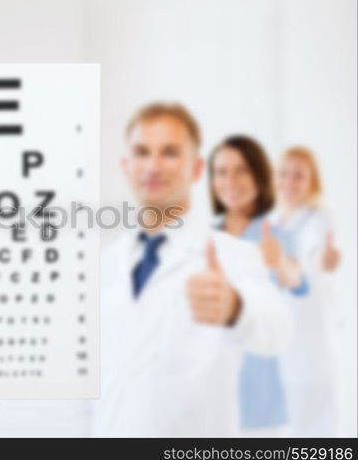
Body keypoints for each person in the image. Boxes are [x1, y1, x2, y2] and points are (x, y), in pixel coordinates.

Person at [90, 103, 292, 437]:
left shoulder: (232, 255)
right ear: (126, 167)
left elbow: (278, 330)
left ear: (197, 168)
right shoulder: (104, 265)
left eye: (169, 153)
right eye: (142, 152)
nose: (153, 166)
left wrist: (235, 309)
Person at [208, 135, 308, 436]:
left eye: (242, 170)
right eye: (222, 172)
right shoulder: (204, 237)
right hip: (210, 394)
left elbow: (298, 280)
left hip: (259, 401)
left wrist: (279, 264)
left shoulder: (274, 235)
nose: (231, 181)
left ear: (259, 175)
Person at [268, 146, 343, 436]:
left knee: (318, 428)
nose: (289, 182)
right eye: (283, 174)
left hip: (314, 342)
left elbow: (317, 252)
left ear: (312, 181)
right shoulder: (272, 223)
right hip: (284, 342)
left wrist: (322, 258)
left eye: (298, 176)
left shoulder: (319, 218)